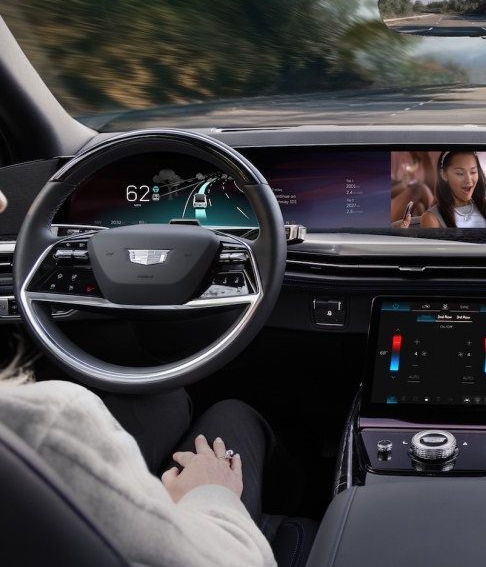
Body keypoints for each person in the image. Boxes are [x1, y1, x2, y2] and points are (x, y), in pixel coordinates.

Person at [0, 191, 278, 566]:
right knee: (235, 414)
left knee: (169, 398)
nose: (3, 201)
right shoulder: (48, 426)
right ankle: (297, 510)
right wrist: (212, 493)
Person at [420, 151, 486, 228]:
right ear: (444, 175)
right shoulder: (431, 218)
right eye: (460, 173)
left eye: (473, 172)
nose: (468, 180)